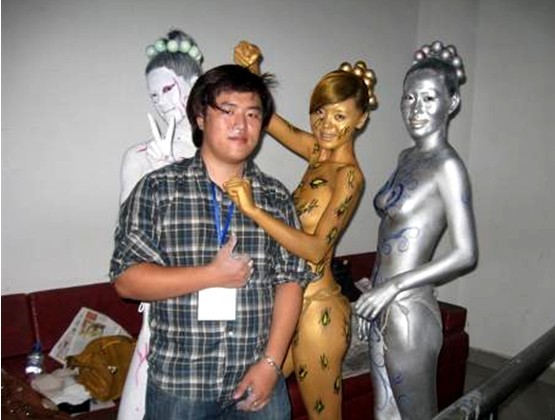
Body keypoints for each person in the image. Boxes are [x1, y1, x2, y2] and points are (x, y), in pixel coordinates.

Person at [110, 64, 314, 420]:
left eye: (252, 114)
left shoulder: (275, 196)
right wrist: (212, 275)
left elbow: (290, 281)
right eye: (228, 111)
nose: (241, 124)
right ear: (201, 117)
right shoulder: (157, 189)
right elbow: (127, 281)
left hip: (258, 383)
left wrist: (271, 364)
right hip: (181, 386)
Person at [228, 41, 377, 420]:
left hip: (316, 313)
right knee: (248, 399)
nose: (326, 126)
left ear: (361, 120)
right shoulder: (316, 154)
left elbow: (315, 249)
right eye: (320, 113)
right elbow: (271, 121)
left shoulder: (349, 177)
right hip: (286, 305)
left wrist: (253, 210)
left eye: (340, 117)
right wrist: (252, 72)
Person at [354, 41, 478, 420]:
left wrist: (392, 287)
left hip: (409, 311)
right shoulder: (406, 157)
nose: (415, 109)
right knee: (384, 414)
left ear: (452, 103)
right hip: (381, 305)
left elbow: (466, 253)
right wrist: (374, 290)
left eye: (428, 98)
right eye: (409, 98)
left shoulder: (448, 166)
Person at [117, 29, 204, 420]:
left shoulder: (227, 157)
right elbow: (129, 248)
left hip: (222, 302)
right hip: (167, 304)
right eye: (154, 95)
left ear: (196, 85)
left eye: (168, 89)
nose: (162, 102)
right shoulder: (139, 157)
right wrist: (158, 180)